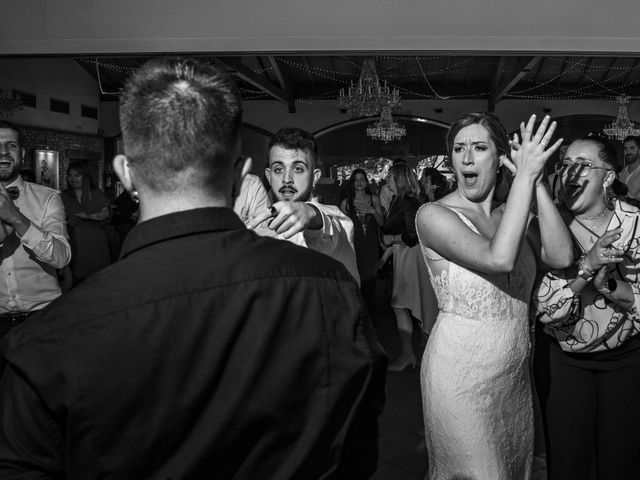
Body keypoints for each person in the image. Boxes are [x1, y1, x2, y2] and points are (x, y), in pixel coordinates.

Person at [0, 58, 386, 479]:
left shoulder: (45, 343)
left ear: (125, 174)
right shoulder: (331, 292)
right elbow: (356, 448)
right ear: (242, 176)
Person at [416, 112, 573, 479]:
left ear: (501, 158)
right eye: (458, 149)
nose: (467, 158)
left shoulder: (513, 214)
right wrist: (525, 179)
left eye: (479, 147)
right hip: (459, 378)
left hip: (513, 377)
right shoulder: (434, 215)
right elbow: (498, 258)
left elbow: (562, 256)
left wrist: (531, 182)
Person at [532, 134, 640, 479]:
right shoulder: (549, 224)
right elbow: (546, 309)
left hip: (628, 358)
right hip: (565, 362)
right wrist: (586, 267)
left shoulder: (634, 222)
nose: (569, 172)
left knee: (622, 458)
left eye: (582, 165)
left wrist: (607, 284)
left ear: (608, 176)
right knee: (568, 459)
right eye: (565, 165)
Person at [250, 127, 360, 284]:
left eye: (298, 169)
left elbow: (328, 228)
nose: (287, 179)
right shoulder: (259, 228)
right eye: (279, 169)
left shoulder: (338, 221)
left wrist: (310, 212)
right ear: (269, 176)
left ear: (314, 178)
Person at [0, 121, 71, 341]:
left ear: (21, 153)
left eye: (10, 145)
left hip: (43, 318)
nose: (3, 152)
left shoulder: (48, 197)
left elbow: (61, 258)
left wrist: (18, 220)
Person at [379, 163, 425, 371]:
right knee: (404, 306)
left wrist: (392, 240)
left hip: (410, 255)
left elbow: (414, 234)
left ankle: (410, 355)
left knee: (404, 305)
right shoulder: (399, 200)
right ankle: (413, 354)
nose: (386, 180)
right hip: (401, 254)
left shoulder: (408, 201)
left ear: (399, 179)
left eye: (389, 177)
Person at [339, 169, 383, 317]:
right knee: (355, 283)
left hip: (371, 246)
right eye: (356, 179)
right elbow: (341, 230)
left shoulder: (374, 199)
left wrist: (372, 210)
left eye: (362, 179)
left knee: (371, 284)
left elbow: (381, 222)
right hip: (354, 248)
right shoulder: (346, 204)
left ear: (366, 182)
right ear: (352, 183)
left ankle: (371, 320)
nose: (359, 182)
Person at [61, 161, 111, 284]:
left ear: (85, 177)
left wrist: (89, 217)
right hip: (74, 242)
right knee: (76, 280)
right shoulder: (63, 196)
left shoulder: (96, 194)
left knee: (97, 279)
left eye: (77, 175)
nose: (73, 179)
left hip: (95, 241)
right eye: (70, 175)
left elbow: (106, 213)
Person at [619, 135, 640, 201]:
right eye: (625, 148)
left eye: (632, 148)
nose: (628, 152)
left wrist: (626, 196)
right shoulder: (621, 173)